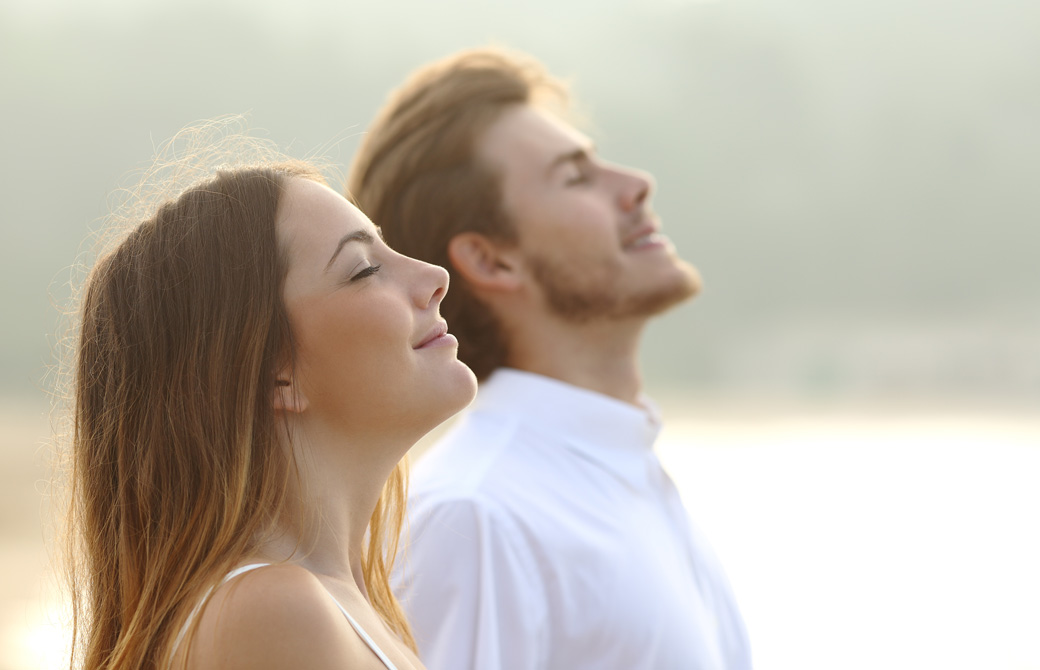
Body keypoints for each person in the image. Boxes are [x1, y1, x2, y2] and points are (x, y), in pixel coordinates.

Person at [347, 48, 753, 669]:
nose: (637, 183)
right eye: (576, 176)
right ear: (491, 261)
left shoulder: (620, 473)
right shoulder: (477, 518)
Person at [63, 147, 476, 669]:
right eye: (365, 269)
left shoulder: (347, 606)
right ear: (273, 373)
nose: (434, 274)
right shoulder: (271, 612)